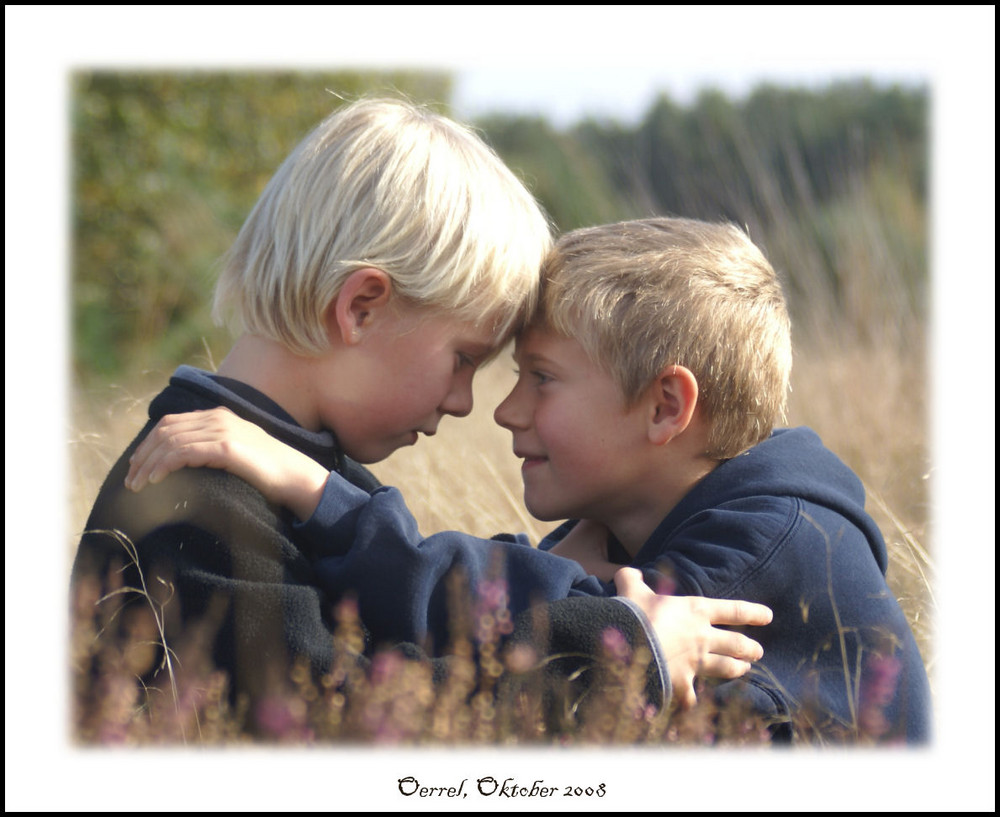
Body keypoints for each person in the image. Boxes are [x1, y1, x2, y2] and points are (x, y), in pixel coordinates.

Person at [73, 101, 769, 717]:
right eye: (464, 358)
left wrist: (573, 577)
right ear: (362, 306)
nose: (465, 401)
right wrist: (619, 652)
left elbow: (412, 609)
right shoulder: (198, 499)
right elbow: (349, 714)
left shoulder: (294, 472)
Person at [128, 217, 932, 743]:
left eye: (541, 377)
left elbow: (495, 642)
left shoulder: (756, 560)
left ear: (665, 405)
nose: (505, 410)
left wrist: (315, 490)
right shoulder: (644, 529)